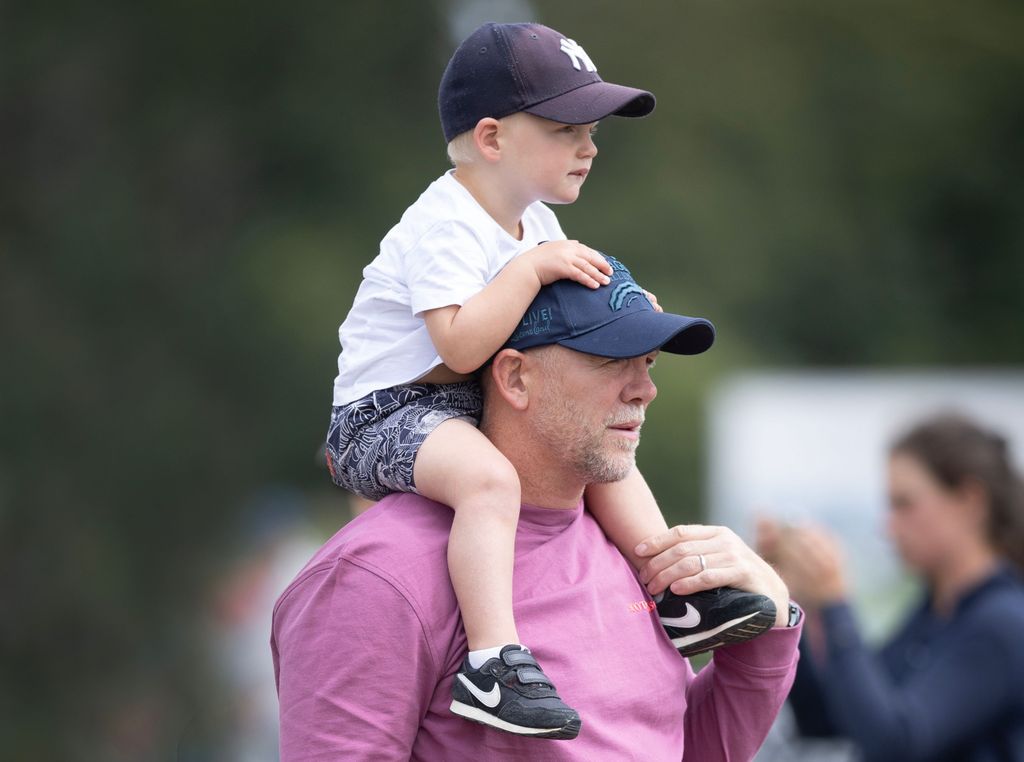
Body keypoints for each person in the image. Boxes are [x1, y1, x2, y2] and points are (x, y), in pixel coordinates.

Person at [323, 21, 774, 737]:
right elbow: (463, 345)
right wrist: (528, 270)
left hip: (457, 400)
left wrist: (630, 311)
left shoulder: (531, 219)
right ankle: (494, 661)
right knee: (490, 483)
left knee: (601, 455)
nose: (589, 147)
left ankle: (676, 593)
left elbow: (566, 308)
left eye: (592, 130)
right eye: (567, 128)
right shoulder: (445, 223)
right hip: (383, 414)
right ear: (493, 139)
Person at [274, 259, 803, 759]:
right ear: (515, 378)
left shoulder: (627, 547)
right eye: (612, 360)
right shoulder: (377, 573)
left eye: (648, 362)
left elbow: (689, 750)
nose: (646, 390)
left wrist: (771, 621)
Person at [758, 414, 1024, 762]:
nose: (888, 527)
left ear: (969, 501)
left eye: (905, 505)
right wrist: (789, 601)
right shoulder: (936, 612)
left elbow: (896, 743)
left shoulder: (1003, 622)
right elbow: (824, 718)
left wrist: (836, 604)